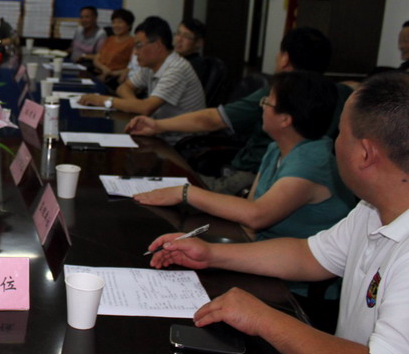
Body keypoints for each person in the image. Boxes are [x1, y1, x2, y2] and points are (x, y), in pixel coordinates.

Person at [148, 71, 409, 354]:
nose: (334, 144)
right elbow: (309, 256)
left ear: (364, 154)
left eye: (341, 133)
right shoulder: (370, 209)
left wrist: (264, 319)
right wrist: (211, 254)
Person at [136, 71, 355, 299]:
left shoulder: (311, 162)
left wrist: (186, 193)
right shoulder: (277, 148)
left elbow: (257, 215)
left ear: (285, 119)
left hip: (295, 286)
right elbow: (250, 214)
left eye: (267, 102)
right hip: (263, 260)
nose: (262, 107)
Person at [126, 27, 352, 195]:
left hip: (249, 177)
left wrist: (157, 125)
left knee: (160, 184)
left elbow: (211, 119)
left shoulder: (281, 93)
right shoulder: (342, 93)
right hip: (278, 182)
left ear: (285, 58)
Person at [80, 17, 205, 137]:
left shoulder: (176, 69)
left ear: (157, 46)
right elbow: (123, 88)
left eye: (139, 45)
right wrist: (135, 105)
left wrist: (104, 101)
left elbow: (145, 108)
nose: (135, 52)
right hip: (158, 132)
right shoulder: (151, 65)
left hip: (179, 142)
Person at [92, 8, 135, 84]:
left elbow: (133, 68)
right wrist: (103, 68)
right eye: (113, 22)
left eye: (120, 22)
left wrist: (110, 73)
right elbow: (96, 59)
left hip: (114, 78)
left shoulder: (132, 42)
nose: (116, 25)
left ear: (129, 25)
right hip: (98, 73)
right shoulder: (109, 39)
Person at [175, 19, 210, 85]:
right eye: (178, 33)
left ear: (198, 42)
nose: (179, 39)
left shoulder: (194, 67)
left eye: (186, 36)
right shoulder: (176, 60)